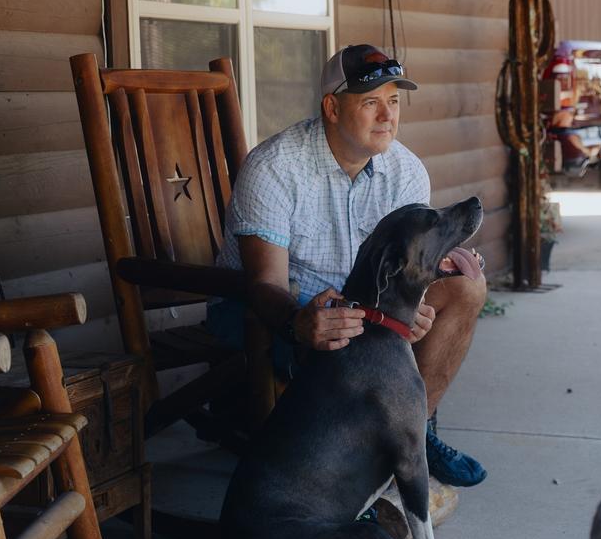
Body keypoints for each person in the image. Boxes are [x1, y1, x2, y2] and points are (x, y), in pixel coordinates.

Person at [208, 44, 487, 487]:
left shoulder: (406, 171)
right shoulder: (275, 167)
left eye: (394, 101)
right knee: (346, 332)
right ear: (332, 108)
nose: (387, 116)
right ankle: (349, 476)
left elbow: (405, 267)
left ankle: (411, 434)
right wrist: (300, 321)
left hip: (361, 307)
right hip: (273, 309)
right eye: (371, 102)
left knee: (467, 289)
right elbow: (264, 284)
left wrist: (424, 290)